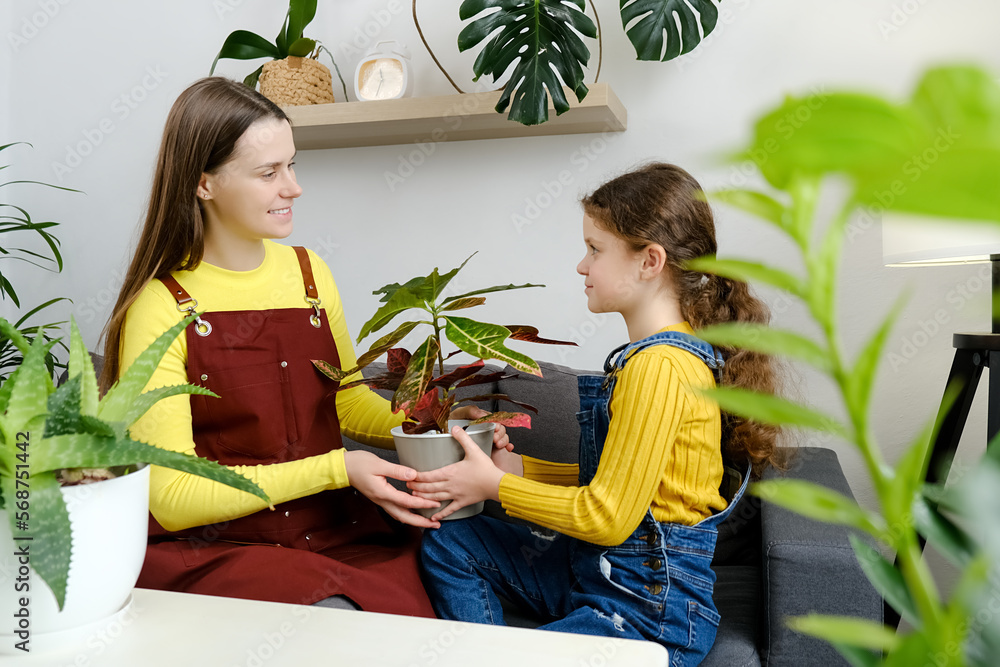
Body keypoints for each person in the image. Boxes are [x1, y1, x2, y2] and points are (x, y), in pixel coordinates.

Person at [98, 77, 508, 616]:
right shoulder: (161, 306)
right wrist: (339, 469)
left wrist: (437, 424)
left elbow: (346, 400)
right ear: (204, 184)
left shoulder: (310, 273)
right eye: (268, 173)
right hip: (228, 547)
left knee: (463, 561)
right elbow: (174, 497)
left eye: (292, 165)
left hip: (333, 528)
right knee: (340, 618)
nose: (292, 188)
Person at [412, 162, 783, 663]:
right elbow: (629, 479)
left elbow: (607, 516)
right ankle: (494, 651)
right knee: (453, 541)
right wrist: (523, 472)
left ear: (649, 261)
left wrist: (494, 488)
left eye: (595, 249)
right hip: (597, 571)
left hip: (647, 605)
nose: (581, 266)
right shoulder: (657, 359)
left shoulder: (662, 368)